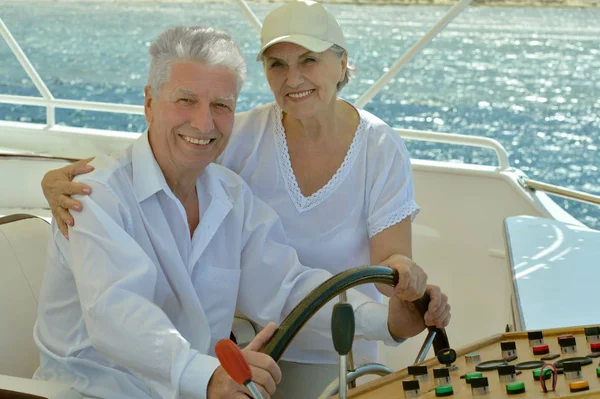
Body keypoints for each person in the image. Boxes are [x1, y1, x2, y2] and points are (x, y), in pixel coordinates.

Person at [40, 2, 451, 398]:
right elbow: (118, 315)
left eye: (221, 105)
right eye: (186, 100)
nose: (203, 122)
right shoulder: (92, 197)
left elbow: (288, 287)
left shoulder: (230, 196)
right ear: (149, 102)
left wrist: (389, 321)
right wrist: (209, 377)